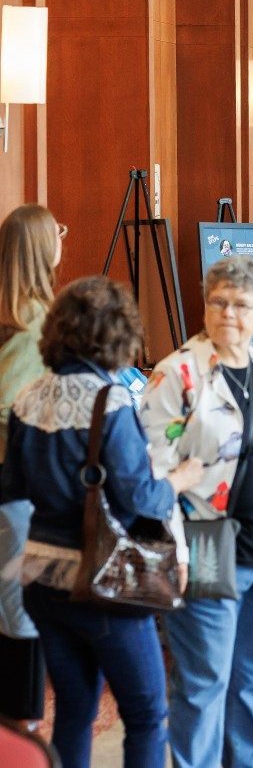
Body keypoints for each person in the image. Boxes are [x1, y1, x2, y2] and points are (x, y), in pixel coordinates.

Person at [3, 276, 202, 768]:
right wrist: (179, 478)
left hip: (42, 580)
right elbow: (139, 498)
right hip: (105, 580)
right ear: (118, 335)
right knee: (146, 712)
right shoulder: (109, 402)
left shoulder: (28, 398)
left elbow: (13, 487)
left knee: (74, 710)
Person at [139, 256, 253, 767]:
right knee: (203, 680)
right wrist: (174, 545)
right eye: (218, 302)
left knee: (252, 682)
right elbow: (153, 471)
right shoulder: (177, 374)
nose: (228, 314)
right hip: (208, 544)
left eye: (241, 305)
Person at [0, 207, 62, 725]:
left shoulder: (11, 311)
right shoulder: (36, 319)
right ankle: (24, 723)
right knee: (24, 602)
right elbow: (7, 404)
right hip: (20, 483)